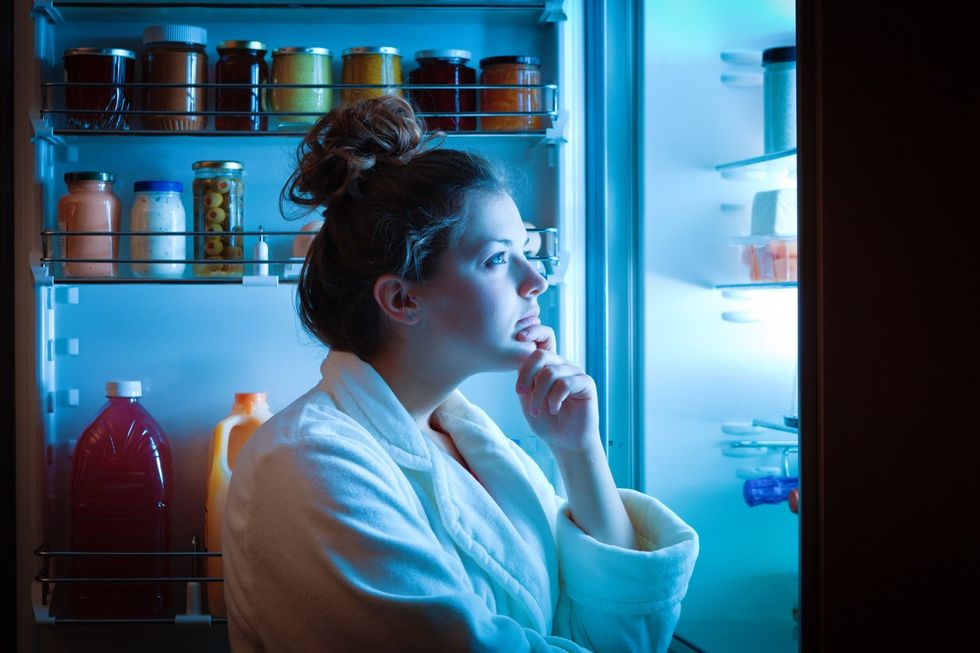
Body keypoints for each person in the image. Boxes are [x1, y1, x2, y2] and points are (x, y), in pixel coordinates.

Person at [222, 95, 698, 653]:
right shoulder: (308, 465)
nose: (536, 281)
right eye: (498, 259)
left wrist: (579, 451)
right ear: (403, 299)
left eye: (528, 251)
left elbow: (602, 632)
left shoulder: (474, 442)